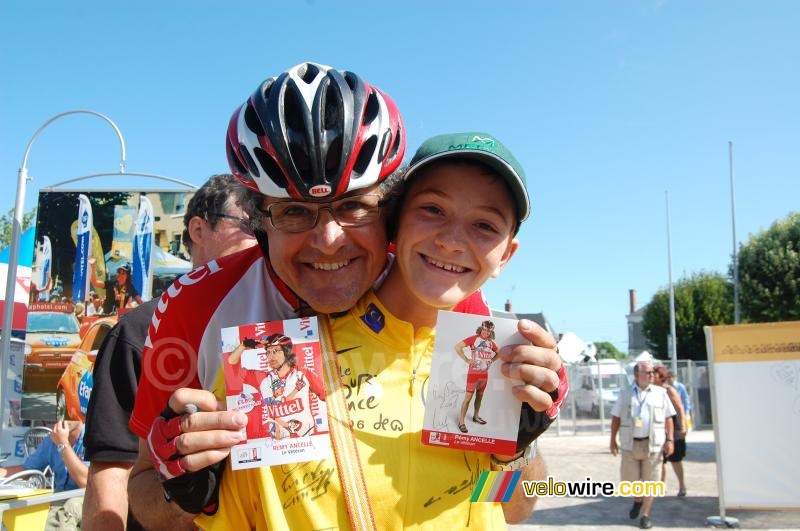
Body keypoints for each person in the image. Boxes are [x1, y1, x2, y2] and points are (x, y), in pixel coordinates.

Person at [127, 63, 566, 530]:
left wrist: (518, 449)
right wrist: (181, 489)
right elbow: (143, 498)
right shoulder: (196, 307)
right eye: (295, 212)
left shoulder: (442, 297)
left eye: (354, 206)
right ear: (260, 222)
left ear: (389, 213)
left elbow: (511, 507)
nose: (329, 240)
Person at [81, 174, 259, 531]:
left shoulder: (280, 321)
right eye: (247, 224)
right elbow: (112, 470)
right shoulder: (138, 331)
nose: (259, 237)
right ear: (198, 229)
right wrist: (185, 494)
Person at [610, 361, 675, 529]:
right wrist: (612, 440)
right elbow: (616, 417)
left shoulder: (661, 393)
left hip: (653, 444)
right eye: (648, 372)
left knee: (651, 481)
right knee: (631, 481)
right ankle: (638, 499)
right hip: (630, 444)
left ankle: (645, 515)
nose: (652, 375)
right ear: (637, 375)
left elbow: (669, 418)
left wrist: (670, 440)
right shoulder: (625, 394)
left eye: (653, 372)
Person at [0, 420, 88, 529]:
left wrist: (63, 444)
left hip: (88, 497)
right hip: (60, 497)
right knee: (27, 510)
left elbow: (87, 483)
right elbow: (26, 469)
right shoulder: (51, 440)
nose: (63, 419)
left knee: (68, 509)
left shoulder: (93, 436)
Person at [454, 319, 500, 433]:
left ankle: (475, 416)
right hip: (473, 374)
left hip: (484, 375)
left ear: (491, 332)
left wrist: (492, 360)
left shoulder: (491, 343)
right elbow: (457, 347)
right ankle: (461, 422)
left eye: (488, 331)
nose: (486, 332)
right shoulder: (474, 339)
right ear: (481, 329)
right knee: (468, 398)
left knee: (479, 397)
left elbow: (500, 353)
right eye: (484, 330)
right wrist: (467, 360)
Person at [655, 365, 687, 496]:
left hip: (674, 429)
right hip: (659, 429)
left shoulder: (669, 390)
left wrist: (682, 426)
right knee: (661, 459)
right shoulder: (652, 390)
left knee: (675, 459)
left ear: (660, 376)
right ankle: (662, 485)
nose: (651, 376)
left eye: (654, 373)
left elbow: (680, 408)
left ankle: (682, 485)